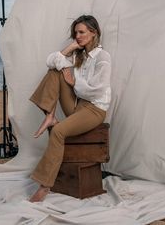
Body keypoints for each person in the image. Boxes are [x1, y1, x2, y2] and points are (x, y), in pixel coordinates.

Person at [29, 15, 111, 202]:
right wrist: (71, 47)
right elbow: (51, 61)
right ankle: (50, 114)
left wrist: (75, 83)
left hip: (94, 109)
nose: (78, 36)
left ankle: (44, 186)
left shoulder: (103, 57)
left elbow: (98, 89)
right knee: (55, 71)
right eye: (76, 33)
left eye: (82, 32)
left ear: (93, 32)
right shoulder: (79, 54)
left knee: (58, 132)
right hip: (78, 105)